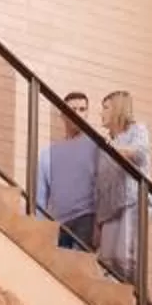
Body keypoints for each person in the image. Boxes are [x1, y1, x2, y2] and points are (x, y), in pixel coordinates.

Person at [95, 89, 152, 284]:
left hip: (131, 201)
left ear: (117, 109)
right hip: (109, 207)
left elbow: (140, 153)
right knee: (106, 260)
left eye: (105, 108)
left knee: (125, 256)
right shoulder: (106, 143)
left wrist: (113, 149)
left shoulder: (137, 130)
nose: (101, 113)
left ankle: (136, 302)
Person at [33, 89, 99, 251]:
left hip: (86, 219)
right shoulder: (48, 153)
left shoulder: (96, 146)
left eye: (82, 109)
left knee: (79, 271)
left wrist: (100, 225)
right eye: (72, 109)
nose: (77, 114)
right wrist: (39, 230)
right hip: (58, 223)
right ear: (63, 115)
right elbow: (39, 197)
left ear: (88, 113)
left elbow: (103, 186)